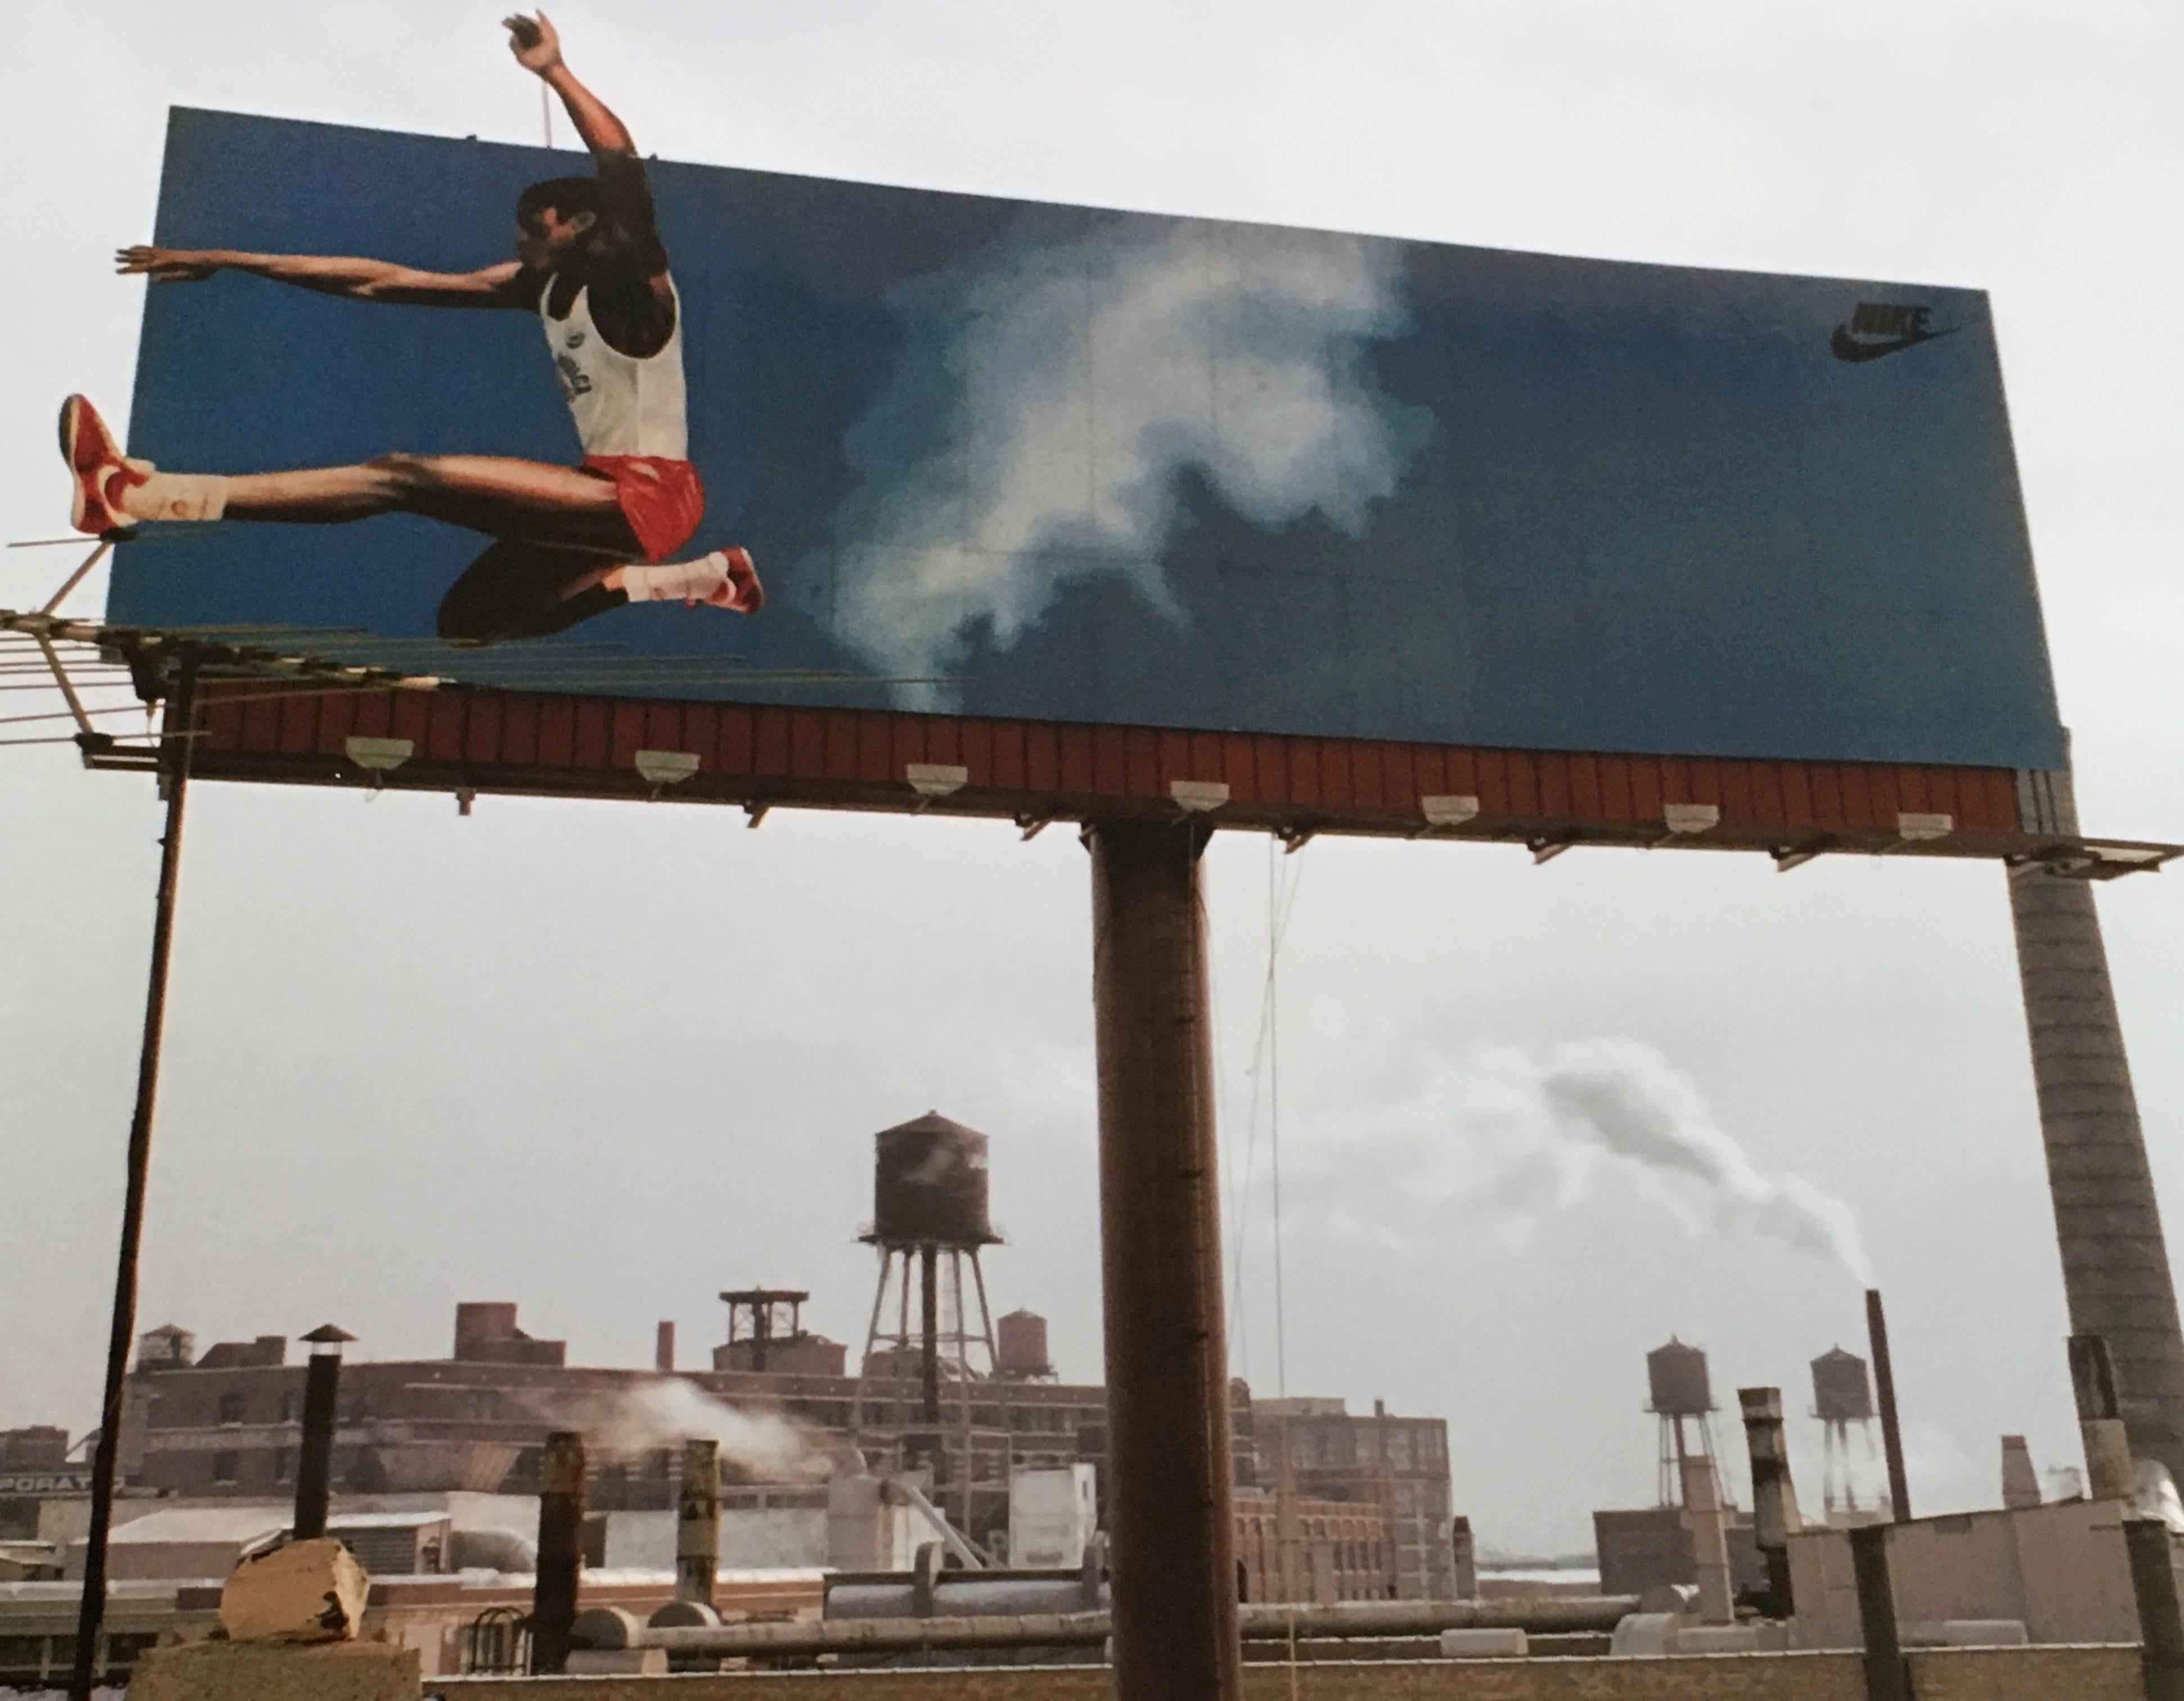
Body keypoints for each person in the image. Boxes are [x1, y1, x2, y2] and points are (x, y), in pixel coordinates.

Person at [60, 10, 760, 644]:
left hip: (648, 492)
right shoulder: (537, 286)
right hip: (602, 496)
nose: (519, 245)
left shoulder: (631, 279)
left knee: (402, 477)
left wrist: (554, 71)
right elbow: (380, 280)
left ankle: (136, 493)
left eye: (531, 232)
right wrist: (231, 258)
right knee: (469, 625)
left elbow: (620, 166)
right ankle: (699, 579)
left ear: (578, 226)